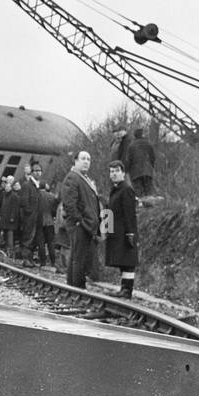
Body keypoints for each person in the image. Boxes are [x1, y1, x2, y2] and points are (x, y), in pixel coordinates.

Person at [59, 150, 102, 289]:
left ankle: (73, 286)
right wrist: (80, 221)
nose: (86, 162)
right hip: (79, 224)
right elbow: (69, 203)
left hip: (84, 224)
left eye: (88, 159)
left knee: (76, 256)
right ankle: (78, 287)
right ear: (76, 161)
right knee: (79, 257)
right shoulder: (73, 177)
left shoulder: (83, 178)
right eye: (83, 158)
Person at [105, 160, 138, 297]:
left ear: (123, 173)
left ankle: (126, 290)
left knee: (128, 261)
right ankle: (124, 288)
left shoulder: (126, 189)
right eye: (111, 171)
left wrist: (130, 233)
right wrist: (106, 228)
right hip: (116, 231)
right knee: (123, 261)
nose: (113, 174)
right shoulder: (115, 189)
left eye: (117, 171)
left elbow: (130, 213)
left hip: (124, 232)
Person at [126, 127, 156, 196]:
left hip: (135, 172)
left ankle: (141, 205)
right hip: (148, 171)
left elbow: (128, 160)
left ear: (135, 135)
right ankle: (149, 204)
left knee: (138, 191)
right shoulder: (148, 144)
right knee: (148, 190)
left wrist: (127, 171)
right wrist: (151, 167)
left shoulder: (131, 146)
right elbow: (153, 157)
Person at [0, 179, 23, 258]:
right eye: (6, 187)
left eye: (8, 187)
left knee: (10, 236)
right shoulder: (4, 195)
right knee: (6, 235)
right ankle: (7, 250)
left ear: (11, 187)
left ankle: (10, 252)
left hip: (10, 220)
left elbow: (14, 208)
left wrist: (12, 217)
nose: (6, 188)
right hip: (5, 218)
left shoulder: (14, 196)